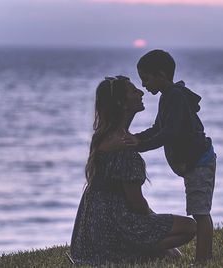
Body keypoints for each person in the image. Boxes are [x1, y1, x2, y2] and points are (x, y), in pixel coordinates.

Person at [70, 75, 196, 265]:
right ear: (122, 103)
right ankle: (133, 252)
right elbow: (137, 203)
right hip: (117, 226)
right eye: (133, 91)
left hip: (93, 230)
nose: (141, 92)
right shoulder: (123, 146)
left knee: (173, 252)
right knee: (190, 227)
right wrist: (154, 219)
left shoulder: (104, 136)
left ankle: (137, 250)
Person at [123, 50, 217, 263]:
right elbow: (158, 128)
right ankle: (205, 258)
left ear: (162, 75)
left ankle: (203, 260)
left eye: (146, 79)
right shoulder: (168, 96)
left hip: (200, 162)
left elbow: (169, 133)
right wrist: (137, 139)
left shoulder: (174, 96)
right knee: (199, 210)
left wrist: (142, 145)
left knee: (200, 213)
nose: (144, 86)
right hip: (195, 164)